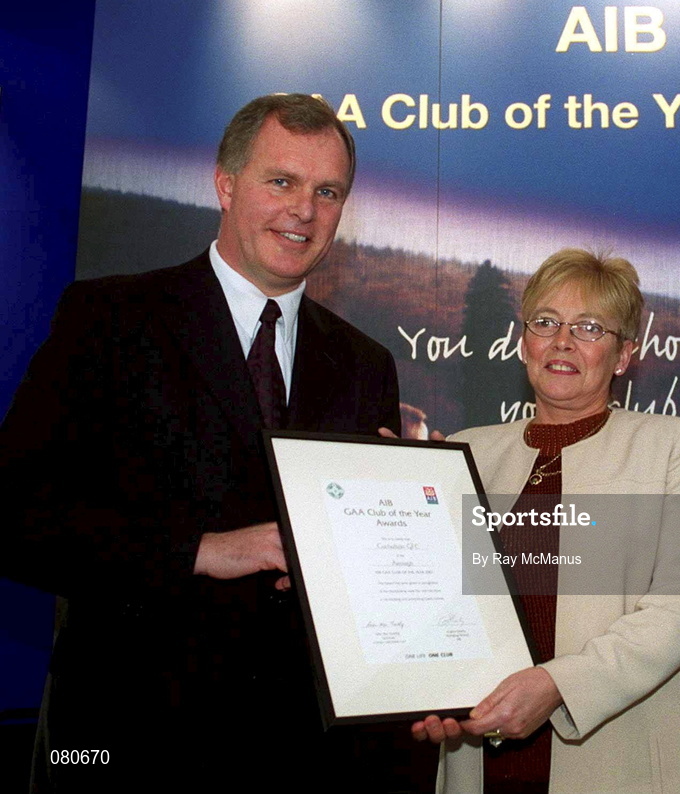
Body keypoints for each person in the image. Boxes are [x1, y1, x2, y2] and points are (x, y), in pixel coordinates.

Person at [0, 94, 402, 792]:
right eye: (282, 181)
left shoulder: (365, 363)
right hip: (130, 744)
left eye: (327, 191)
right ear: (225, 182)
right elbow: (15, 516)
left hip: (304, 756)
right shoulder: (111, 319)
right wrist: (203, 550)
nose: (304, 210)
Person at [413, 249, 680, 793]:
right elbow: (433, 601)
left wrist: (557, 686)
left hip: (622, 756)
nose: (563, 342)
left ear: (624, 354)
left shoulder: (673, 447)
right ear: (523, 341)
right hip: (480, 750)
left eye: (589, 327)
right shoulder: (465, 453)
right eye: (546, 322)